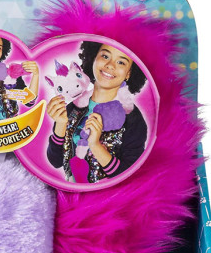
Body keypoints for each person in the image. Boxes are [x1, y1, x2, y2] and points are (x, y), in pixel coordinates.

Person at [46, 42, 147, 183]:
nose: (110, 65)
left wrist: (95, 145)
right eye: (105, 56)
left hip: (109, 196)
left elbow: (130, 175)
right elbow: (56, 161)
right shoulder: (73, 107)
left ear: (128, 73)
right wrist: (61, 125)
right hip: (71, 192)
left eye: (121, 62)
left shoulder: (132, 118)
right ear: (94, 57)